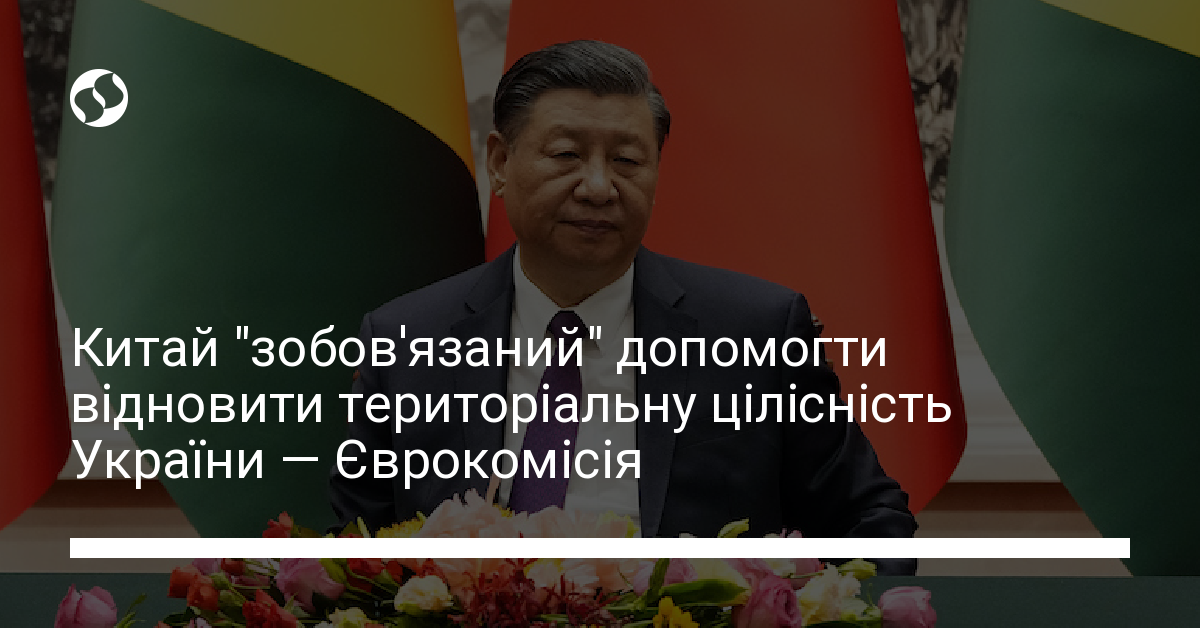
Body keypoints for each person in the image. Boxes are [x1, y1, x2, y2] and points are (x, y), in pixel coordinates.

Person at [329, 40, 916, 574]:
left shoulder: (758, 330)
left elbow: (873, 524)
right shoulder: (405, 339)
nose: (598, 187)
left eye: (628, 161)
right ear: (501, 162)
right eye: (566, 154)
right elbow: (353, 553)